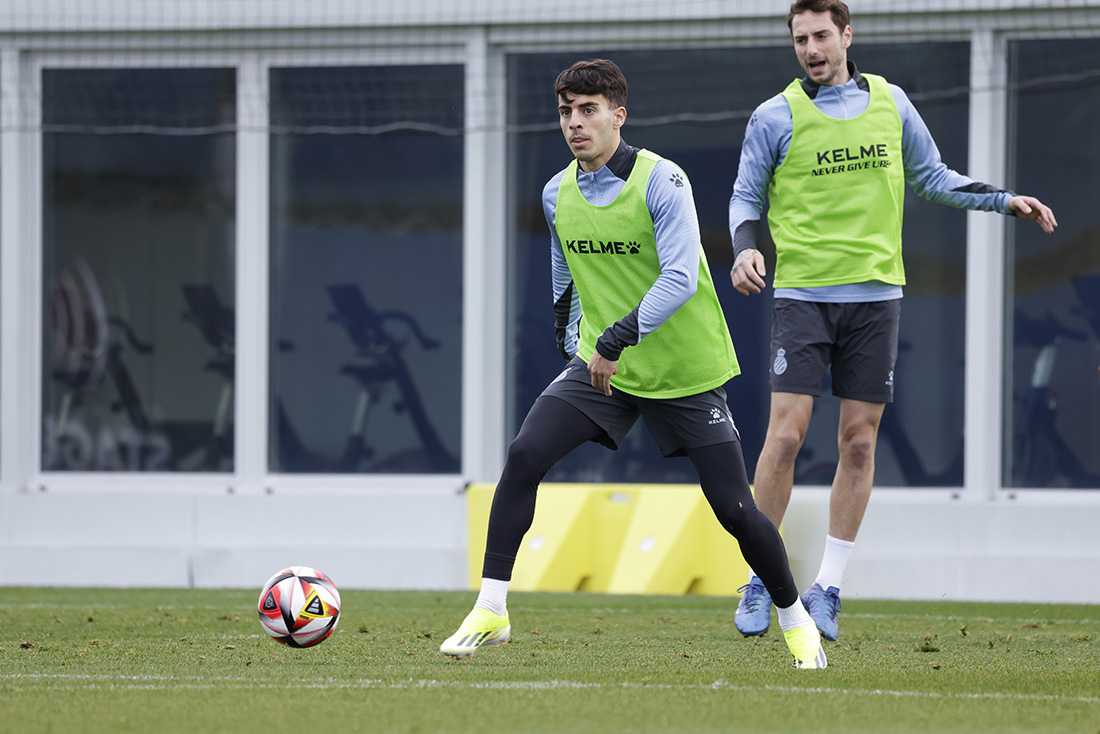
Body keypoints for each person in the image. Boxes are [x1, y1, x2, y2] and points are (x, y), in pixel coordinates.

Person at [440, 58, 827, 669]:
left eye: (588, 110)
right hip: (603, 367)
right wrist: (575, 342)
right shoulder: (556, 192)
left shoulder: (662, 180)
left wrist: (612, 341)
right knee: (525, 455)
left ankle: (794, 617)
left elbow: (679, 278)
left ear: (618, 116)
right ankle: (491, 608)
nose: (574, 123)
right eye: (566, 112)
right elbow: (565, 274)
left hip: (684, 371)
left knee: (734, 509)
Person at [728, 0, 1057, 641]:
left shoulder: (891, 102)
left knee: (858, 442)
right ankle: (761, 578)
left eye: (821, 35)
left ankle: (828, 588)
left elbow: (931, 177)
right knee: (786, 437)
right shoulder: (774, 116)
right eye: (800, 39)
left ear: (847, 35)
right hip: (803, 296)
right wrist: (745, 247)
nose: (811, 49)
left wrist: (1003, 200)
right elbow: (746, 195)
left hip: (877, 298)